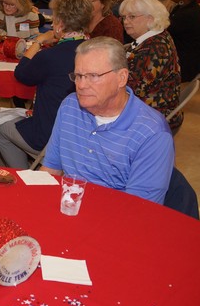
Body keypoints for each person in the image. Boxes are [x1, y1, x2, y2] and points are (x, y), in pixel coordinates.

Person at [41, 37, 174, 205]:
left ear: (121, 78)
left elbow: (139, 210)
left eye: (93, 76)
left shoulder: (152, 134)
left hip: (115, 219)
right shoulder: (70, 106)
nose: (81, 85)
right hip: (70, 207)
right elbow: (51, 169)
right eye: (78, 76)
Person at [0, 0, 91, 168]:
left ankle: (24, 175)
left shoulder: (51, 56)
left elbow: (21, 73)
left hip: (50, 137)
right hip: (81, 136)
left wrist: (38, 41)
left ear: (59, 24)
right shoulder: (93, 49)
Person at [120, 0, 182, 128]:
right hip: (150, 107)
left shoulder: (153, 48)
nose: (125, 21)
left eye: (132, 17)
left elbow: (132, 90)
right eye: (124, 17)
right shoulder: (158, 36)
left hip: (153, 115)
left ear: (150, 18)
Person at [168, 0, 200, 82]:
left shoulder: (188, 15)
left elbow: (167, 30)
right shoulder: (183, 7)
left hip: (189, 61)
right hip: (186, 53)